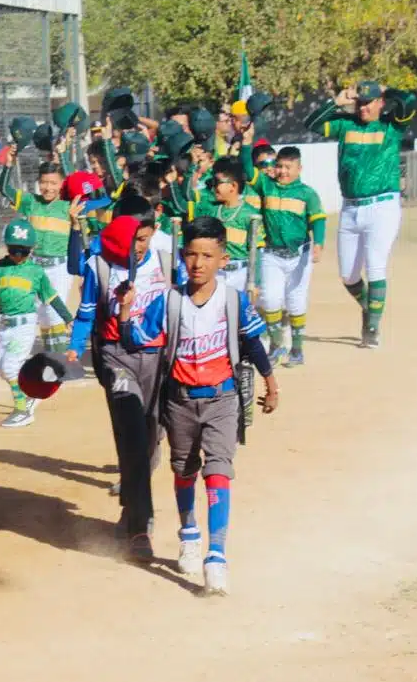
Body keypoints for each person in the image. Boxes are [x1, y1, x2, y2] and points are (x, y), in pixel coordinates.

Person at [124, 216, 278, 596]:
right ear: (182, 257)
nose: (198, 263)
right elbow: (141, 339)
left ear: (223, 259)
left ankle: (216, 555)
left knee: (219, 471)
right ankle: (189, 531)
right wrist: (127, 313)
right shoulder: (170, 301)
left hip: (222, 398)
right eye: (191, 254)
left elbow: (254, 342)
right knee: (184, 469)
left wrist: (270, 382)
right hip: (179, 401)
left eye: (207, 255)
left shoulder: (233, 300)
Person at [66, 206, 173, 559]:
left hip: (157, 358)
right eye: (133, 240)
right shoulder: (100, 265)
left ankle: (131, 506)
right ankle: (141, 526)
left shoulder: (167, 260)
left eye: (144, 239)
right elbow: (87, 312)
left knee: (150, 435)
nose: (139, 247)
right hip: (117, 358)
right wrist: (74, 347)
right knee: (131, 430)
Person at [304, 81, 416, 348]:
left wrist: (389, 92)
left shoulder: (392, 125)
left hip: (383, 206)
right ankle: (371, 306)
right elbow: (312, 124)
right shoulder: (346, 124)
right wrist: (337, 102)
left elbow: (409, 101)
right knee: (348, 276)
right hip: (351, 207)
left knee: (375, 264)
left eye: (369, 102)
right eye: (360, 102)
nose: (363, 107)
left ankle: (372, 329)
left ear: (380, 103)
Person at [0, 218, 72, 427]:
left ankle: (22, 409)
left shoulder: (35, 272)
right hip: (4, 326)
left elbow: (52, 297)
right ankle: (33, 386)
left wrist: (67, 317)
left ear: (32, 249)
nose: (18, 256)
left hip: (24, 326)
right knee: (1, 369)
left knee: (10, 367)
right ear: (6, 247)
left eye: (23, 251)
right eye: (14, 250)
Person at [240, 135, 326, 367]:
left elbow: (318, 220)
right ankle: (277, 346)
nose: (283, 172)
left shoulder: (308, 193)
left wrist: (318, 244)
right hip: (271, 254)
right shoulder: (266, 185)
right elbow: (248, 170)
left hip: (300, 255)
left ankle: (297, 350)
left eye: (288, 167)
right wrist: (246, 142)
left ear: (299, 168)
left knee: (296, 301)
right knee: (270, 299)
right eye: (279, 166)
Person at [0, 146, 76, 352]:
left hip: (59, 267)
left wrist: (63, 155)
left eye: (53, 183)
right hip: (34, 265)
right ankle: (44, 355)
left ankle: (57, 359)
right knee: (39, 313)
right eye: (44, 182)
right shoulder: (31, 202)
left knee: (54, 313)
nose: (48, 187)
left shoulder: (69, 206)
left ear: (62, 184)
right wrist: (8, 165)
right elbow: (5, 188)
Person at [188, 157, 263, 295]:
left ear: (233, 186)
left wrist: (255, 282)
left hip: (241, 274)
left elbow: (256, 251)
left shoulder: (250, 214)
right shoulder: (211, 211)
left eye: (217, 183)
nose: (213, 187)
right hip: (216, 273)